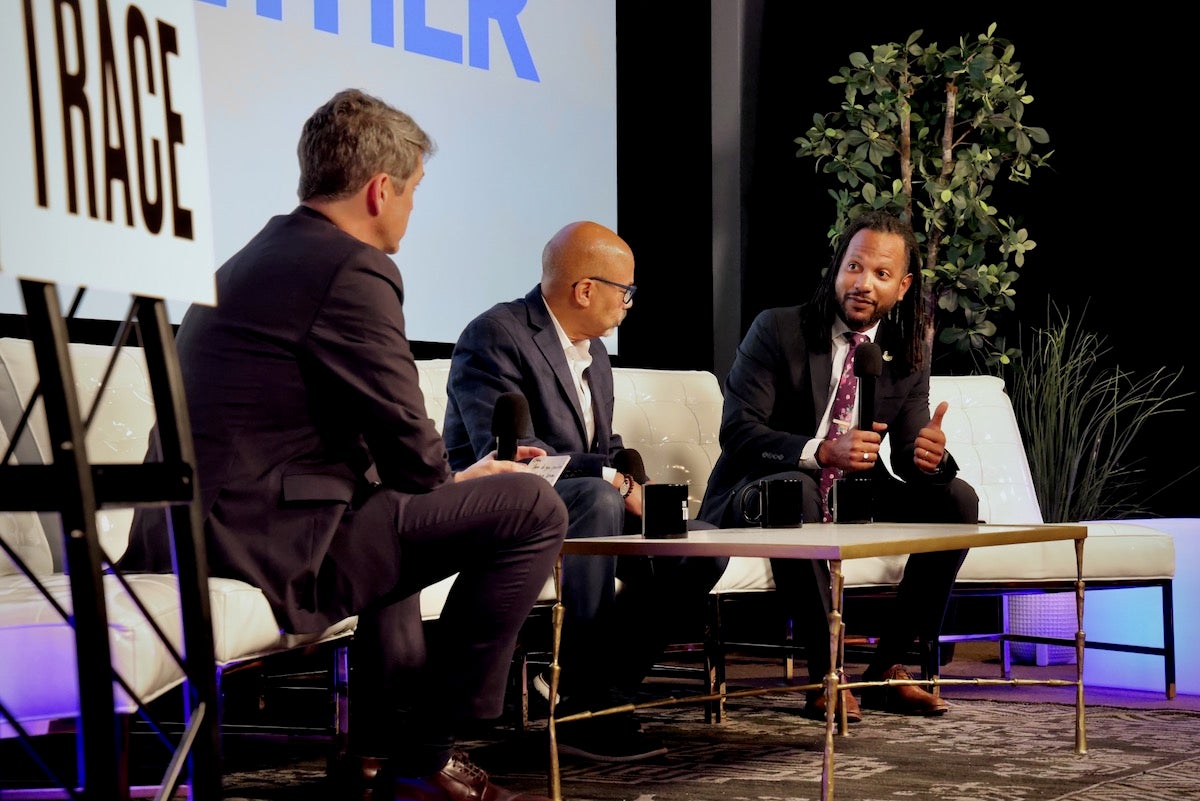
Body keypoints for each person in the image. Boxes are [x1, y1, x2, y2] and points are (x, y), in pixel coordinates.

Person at [119, 89, 568, 801]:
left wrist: (443, 480)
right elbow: (415, 455)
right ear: (379, 189)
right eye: (415, 191)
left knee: (400, 508)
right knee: (533, 508)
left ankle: (379, 748)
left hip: (199, 529)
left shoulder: (255, 256)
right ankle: (425, 755)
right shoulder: (350, 268)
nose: (414, 210)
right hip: (261, 542)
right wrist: (455, 481)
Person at [441, 220, 727, 762]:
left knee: (702, 542)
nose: (630, 304)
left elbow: (609, 445)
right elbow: (512, 451)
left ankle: (604, 690)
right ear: (586, 289)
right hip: (502, 513)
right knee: (597, 499)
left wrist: (636, 486)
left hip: (583, 510)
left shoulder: (594, 355)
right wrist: (611, 481)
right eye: (627, 292)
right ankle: (582, 698)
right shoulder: (496, 334)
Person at [697, 209, 979, 723]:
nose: (864, 284)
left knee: (956, 499)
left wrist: (931, 457)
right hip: (762, 489)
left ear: (902, 287)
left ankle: (884, 669)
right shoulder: (778, 329)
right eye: (854, 267)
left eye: (881, 275)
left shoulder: (905, 354)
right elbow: (738, 432)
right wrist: (822, 450)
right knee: (797, 489)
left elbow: (909, 456)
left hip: (855, 494)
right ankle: (824, 675)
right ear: (836, 268)